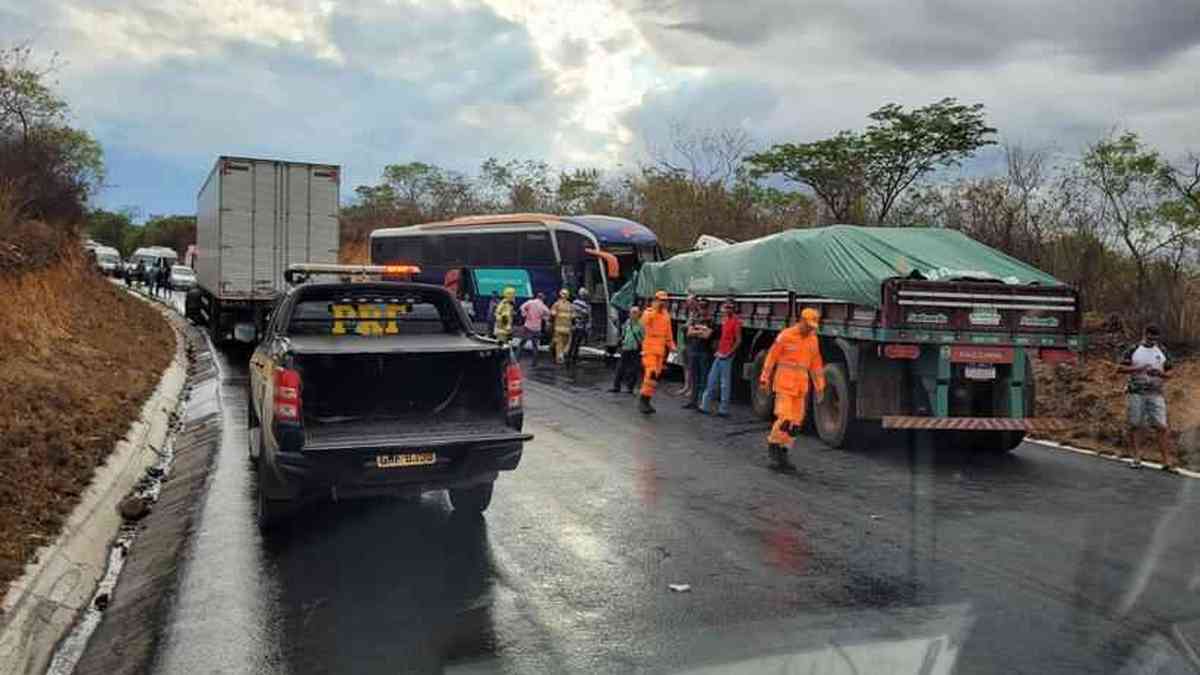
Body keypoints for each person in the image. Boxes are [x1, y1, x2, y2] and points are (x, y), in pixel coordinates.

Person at [759, 308, 826, 471]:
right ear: (801, 321)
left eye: (813, 327)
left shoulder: (813, 340)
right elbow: (771, 357)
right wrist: (764, 379)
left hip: (800, 388)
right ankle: (774, 447)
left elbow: (816, 365)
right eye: (808, 325)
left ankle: (784, 453)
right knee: (785, 419)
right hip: (784, 385)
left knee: (795, 424)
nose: (810, 329)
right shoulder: (786, 336)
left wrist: (820, 387)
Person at [1118, 324, 1178, 470]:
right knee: (1135, 424)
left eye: (1155, 339)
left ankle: (1166, 461)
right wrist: (1138, 369)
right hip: (1136, 392)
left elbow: (1171, 373)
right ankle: (1136, 457)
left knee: (1162, 427)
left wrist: (1159, 374)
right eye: (1150, 338)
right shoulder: (1133, 349)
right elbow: (1119, 368)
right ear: (1144, 334)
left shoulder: (1162, 350)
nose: (1152, 341)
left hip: (1156, 393)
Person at [700, 300, 742, 416]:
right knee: (712, 380)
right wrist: (718, 351)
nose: (727, 310)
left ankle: (722, 409)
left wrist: (729, 353)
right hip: (720, 354)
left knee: (724, 383)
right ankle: (705, 406)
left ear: (733, 309)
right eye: (726, 307)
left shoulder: (735, 322)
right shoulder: (725, 320)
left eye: (730, 308)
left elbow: (738, 340)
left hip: (726, 356)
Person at [639, 291, 676, 414]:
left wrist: (671, 346)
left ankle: (647, 401)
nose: (663, 302)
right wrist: (654, 309)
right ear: (655, 300)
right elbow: (643, 323)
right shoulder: (649, 312)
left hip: (660, 350)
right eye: (661, 300)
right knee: (651, 373)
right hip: (649, 348)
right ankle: (643, 400)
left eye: (665, 300)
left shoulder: (666, 315)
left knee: (655, 377)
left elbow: (668, 333)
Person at [682, 300, 714, 409]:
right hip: (694, 351)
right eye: (701, 307)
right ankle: (693, 402)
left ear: (707, 308)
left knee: (703, 378)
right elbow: (689, 332)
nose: (702, 309)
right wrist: (701, 331)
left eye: (704, 307)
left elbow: (707, 335)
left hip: (704, 352)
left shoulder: (710, 320)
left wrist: (696, 331)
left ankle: (702, 403)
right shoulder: (695, 319)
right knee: (694, 377)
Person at [610, 306, 644, 393]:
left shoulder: (641, 325)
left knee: (633, 369)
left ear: (639, 314)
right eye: (631, 312)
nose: (632, 314)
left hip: (635, 349)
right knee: (620, 368)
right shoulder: (628, 322)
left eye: (635, 312)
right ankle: (616, 386)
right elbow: (623, 332)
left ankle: (630, 387)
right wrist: (621, 340)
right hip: (626, 347)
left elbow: (644, 337)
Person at [674, 294, 698, 396]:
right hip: (687, 342)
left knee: (692, 366)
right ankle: (686, 386)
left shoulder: (697, 313)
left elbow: (692, 326)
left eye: (691, 302)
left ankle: (692, 388)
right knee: (686, 366)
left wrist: (686, 327)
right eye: (688, 302)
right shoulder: (690, 313)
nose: (689, 304)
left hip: (693, 343)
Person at [517, 292, 550, 364]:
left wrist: (525, 314)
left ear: (537, 296)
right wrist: (543, 318)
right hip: (537, 328)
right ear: (543, 298)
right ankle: (534, 362)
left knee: (522, 343)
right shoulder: (543, 306)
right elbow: (548, 313)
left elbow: (522, 307)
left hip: (528, 326)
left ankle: (517, 359)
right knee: (535, 346)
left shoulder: (530, 302)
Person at [566, 287, 591, 369]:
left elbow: (572, 314)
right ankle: (573, 359)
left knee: (573, 343)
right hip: (580, 327)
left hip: (574, 326)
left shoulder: (574, 303)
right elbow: (587, 315)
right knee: (576, 344)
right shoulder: (586, 305)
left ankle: (569, 358)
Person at [550, 289, 574, 364]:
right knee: (565, 343)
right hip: (567, 328)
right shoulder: (570, 305)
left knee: (559, 344)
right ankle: (562, 354)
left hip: (558, 328)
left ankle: (559, 358)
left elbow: (552, 314)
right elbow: (573, 316)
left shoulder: (556, 304)